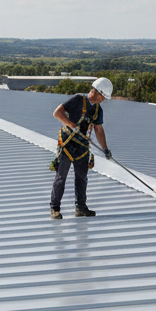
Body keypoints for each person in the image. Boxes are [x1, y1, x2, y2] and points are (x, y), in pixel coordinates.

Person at [49, 77, 113, 220]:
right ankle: (55, 209)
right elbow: (57, 113)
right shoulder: (78, 100)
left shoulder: (97, 110)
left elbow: (99, 129)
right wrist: (72, 125)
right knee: (61, 177)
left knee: (82, 178)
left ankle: (81, 208)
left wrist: (105, 149)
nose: (103, 99)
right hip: (67, 145)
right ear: (96, 91)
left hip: (82, 148)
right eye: (103, 96)